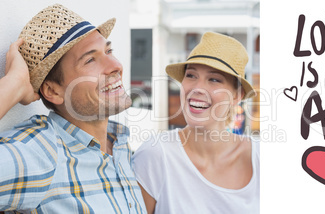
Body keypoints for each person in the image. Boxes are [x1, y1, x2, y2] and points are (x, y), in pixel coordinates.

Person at [0, 4, 146, 213]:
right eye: (90, 60)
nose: (115, 65)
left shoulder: (121, 145)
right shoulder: (43, 153)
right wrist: (13, 84)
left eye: (109, 51)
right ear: (53, 91)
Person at [132, 32, 260, 214]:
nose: (198, 88)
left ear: (237, 96)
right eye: (191, 75)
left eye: (214, 79)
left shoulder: (260, 159)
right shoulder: (156, 156)